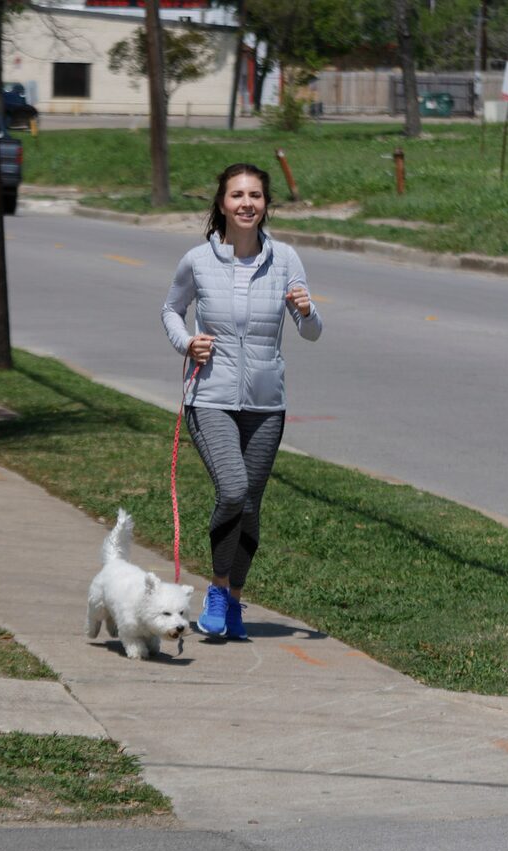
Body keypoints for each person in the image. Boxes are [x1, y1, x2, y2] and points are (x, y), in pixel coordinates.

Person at [161, 163, 323, 640]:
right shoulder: (197, 261)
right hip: (209, 397)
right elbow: (171, 309)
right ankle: (217, 587)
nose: (247, 203)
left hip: (266, 404)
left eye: (255, 195)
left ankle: (233, 601)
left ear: (266, 204)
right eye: (237, 195)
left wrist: (308, 311)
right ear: (221, 203)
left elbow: (311, 332)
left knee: (249, 505)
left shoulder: (287, 259)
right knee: (232, 490)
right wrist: (187, 343)